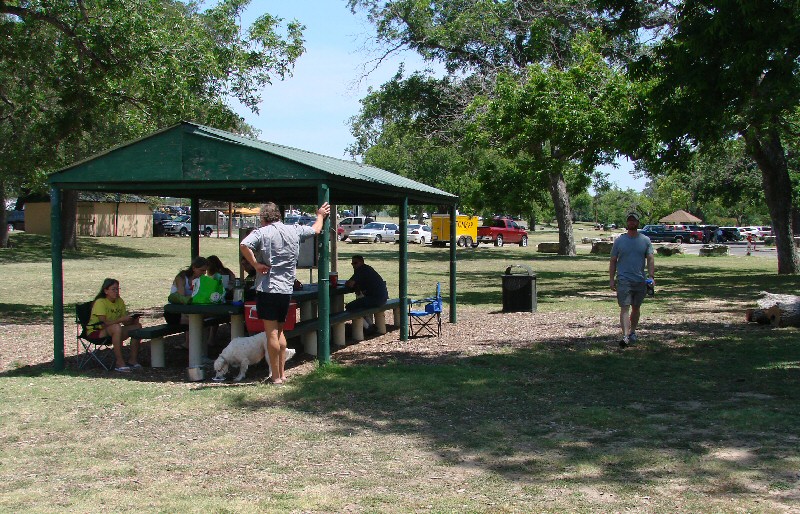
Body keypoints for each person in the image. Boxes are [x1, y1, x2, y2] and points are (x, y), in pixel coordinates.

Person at [240, 201, 330, 385]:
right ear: (279, 216)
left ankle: (275, 377)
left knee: (271, 334)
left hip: (267, 288)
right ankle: (282, 374)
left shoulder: (262, 232)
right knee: (281, 333)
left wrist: (256, 264)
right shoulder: (293, 230)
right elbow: (315, 230)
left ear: (263, 218)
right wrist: (320, 215)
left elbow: (244, 245)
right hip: (286, 290)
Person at [609, 212, 655, 348]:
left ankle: (633, 332)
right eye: (629, 221)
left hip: (640, 280)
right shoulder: (619, 241)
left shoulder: (645, 240)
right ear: (627, 223)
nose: (631, 223)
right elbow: (613, 261)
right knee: (624, 307)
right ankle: (625, 335)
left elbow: (651, 259)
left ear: (638, 223)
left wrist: (651, 277)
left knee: (636, 308)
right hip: (623, 280)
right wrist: (612, 279)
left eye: (634, 221)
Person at [88, 278, 143, 372]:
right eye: (113, 289)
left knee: (137, 327)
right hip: (96, 331)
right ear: (106, 291)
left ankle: (132, 360)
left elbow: (124, 322)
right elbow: (104, 323)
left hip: (114, 331)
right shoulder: (100, 302)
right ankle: (119, 362)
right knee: (116, 327)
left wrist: (132, 320)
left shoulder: (119, 301)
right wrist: (120, 320)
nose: (116, 292)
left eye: (118, 289)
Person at [345, 255, 389, 330]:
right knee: (359, 305)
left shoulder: (361, 270)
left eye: (355, 263)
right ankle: (370, 325)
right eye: (352, 264)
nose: (354, 265)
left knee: (349, 307)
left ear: (362, 262)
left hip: (376, 299)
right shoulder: (367, 268)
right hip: (382, 298)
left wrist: (347, 284)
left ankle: (368, 328)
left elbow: (350, 284)